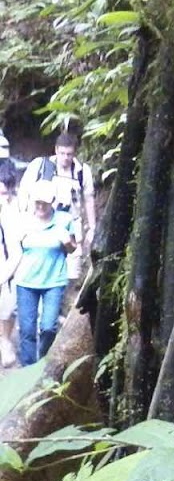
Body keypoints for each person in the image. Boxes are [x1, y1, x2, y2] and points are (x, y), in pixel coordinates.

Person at [4, 178, 76, 365]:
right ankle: (29, 369)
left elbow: (73, 248)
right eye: (38, 201)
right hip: (26, 282)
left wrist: (67, 242)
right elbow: (15, 253)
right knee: (27, 330)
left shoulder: (64, 220)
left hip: (54, 280)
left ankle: (43, 364)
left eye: (45, 201)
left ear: (52, 200)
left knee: (48, 327)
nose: (41, 205)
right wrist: (4, 277)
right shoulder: (23, 221)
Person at [20, 130, 95, 297]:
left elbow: (88, 199)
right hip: (43, 225)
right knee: (42, 266)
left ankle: (61, 305)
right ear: (55, 150)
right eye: (62, 153)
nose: (66, 158)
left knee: (72, 273)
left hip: (72, 226)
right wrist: (24, 219)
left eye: (69, 154)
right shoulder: (41, 167)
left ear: (75, 153)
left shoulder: (82, 172)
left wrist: (92, 227)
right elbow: (24, 192)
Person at [0, 177, 17, 368]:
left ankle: (5, 342)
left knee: (6, 308)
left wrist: (3, 276)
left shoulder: (8, 215)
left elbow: (15, 252)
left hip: (4, 271)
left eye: (3, 193)